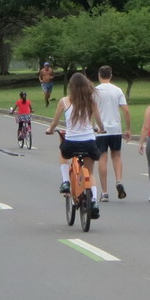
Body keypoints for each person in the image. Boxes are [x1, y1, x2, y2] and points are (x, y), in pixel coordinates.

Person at [45, 72, 104, 218]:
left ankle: (65, 181)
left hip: (71, 143)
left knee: (63, 153)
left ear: (71, 87)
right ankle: (94, 201)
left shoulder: (64, 101)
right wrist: (101, 129)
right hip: (89, 143)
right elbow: (99, 121)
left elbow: (55, 122)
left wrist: (50, 130)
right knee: (90, 173)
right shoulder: (91, 101)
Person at [92, 65, 131, 202]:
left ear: (99, 75)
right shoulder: (117, 90)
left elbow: (92, 110)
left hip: (101, 129)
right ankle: (119, 180)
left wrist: (93, 126)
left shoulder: (95, 91)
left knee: (102, 158)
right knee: (116, 156)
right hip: (115, 128)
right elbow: (126, 110)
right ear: (111, 75)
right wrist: (128, 129)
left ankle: (104, 192)